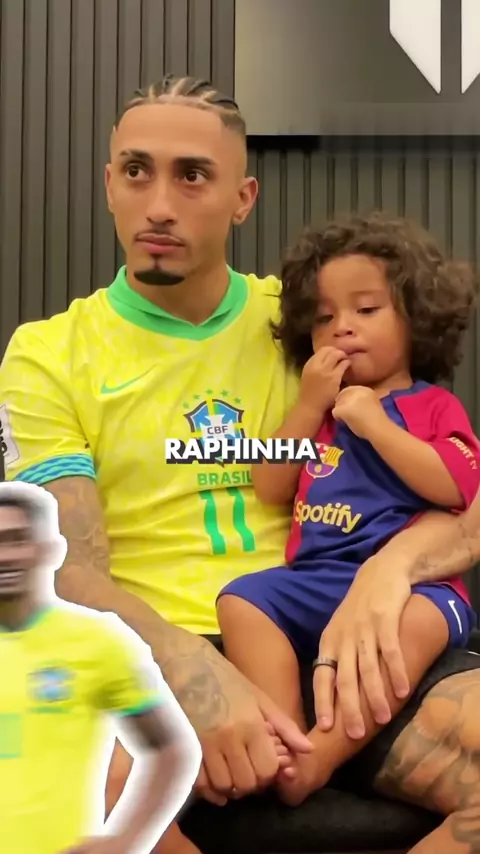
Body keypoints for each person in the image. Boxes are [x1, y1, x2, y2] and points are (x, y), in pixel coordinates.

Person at [1, 75, 480, 851]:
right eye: (137, 171)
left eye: (193, 175)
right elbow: (68, 565)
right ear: (109, 184)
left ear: (243, 198)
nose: (160, 204)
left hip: (338, 636)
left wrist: (388, 571)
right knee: (69, 786)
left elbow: (457, 486)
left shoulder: (313, 323)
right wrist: (190, 663)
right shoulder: (48, 354)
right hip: (154, 651)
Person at [217, 214, 480, 806]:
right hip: (315, 578)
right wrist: (311, 406)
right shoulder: (318, 416)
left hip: (416, 589)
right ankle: (286, 738)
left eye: (366, 309)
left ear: (416, 318)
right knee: (242, 600)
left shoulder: (432, 406)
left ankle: (321, 757)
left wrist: (374, 423)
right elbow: (269, 484)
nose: (342, 328)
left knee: (418, 625)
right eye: (323, 317)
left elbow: (457, 486)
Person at [0, 480, 201, 854]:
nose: (4, 556)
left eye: (16, 540)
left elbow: (170, 748)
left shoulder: (97, 641)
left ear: (49, 549)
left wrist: (126, 839)